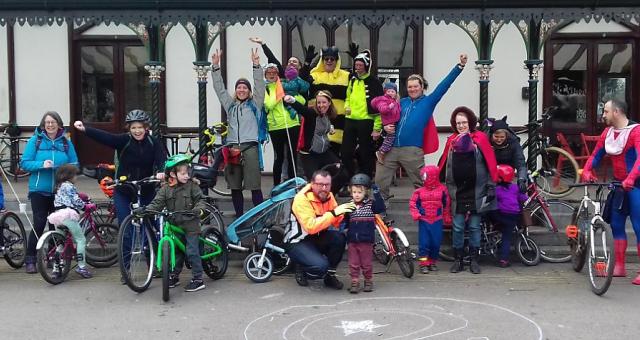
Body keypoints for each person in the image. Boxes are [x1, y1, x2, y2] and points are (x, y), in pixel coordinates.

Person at [375, 53, 468, 199]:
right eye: (410, 87)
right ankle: (381, 213)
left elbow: (444, 85)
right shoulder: (402, 102)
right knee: (380, 182)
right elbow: (386, 115)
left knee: (423, 184)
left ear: (422, 87)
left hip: (412, 151)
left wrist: (459, 67)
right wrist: (385, 128)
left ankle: (427, 213)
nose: (412, 89)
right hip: (391, 148)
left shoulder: (429, 102)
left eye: (415, 86)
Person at [581, 99, 640, 285]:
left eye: (606, 111)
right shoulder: (607, 132)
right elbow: (596, 154)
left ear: (616, 112)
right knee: (616, 224)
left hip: (636, 185)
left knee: (639, 227)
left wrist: (631, 178)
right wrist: (588, 169)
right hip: (618, 185)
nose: (603, 115)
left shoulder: (636, 131)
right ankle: (619, 265)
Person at [74, 110, 166, 225]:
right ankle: (126, 242)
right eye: (133, 128)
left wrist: (162, 171)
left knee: (151, 223)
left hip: (146, 189)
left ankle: (149, 242)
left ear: (146, 127)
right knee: (125, 225)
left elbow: (161, 159)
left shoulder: (153, 142)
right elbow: (106, 137)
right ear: (129, 128)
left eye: (140, 127)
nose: (137, 131)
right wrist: (85, 129)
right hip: (124, 190)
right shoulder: (124, 140)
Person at [438, 106, 498, 275]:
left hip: (476, 191)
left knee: (474, 227)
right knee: (457, 227)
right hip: (457, 192)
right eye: (458, 123)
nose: (461, 126)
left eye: (464, 122)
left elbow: (490, 164)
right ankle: (458, 260)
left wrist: (491, 185)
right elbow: (444, 165)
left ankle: (474, 260)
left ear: (470, 122)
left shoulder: (480, 138)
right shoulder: (451, 141)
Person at [20, 111, 79, 273]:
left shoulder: (66, 143)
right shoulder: (35, 141)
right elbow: (24, 163)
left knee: (56, 226)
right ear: (43, 125)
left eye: (53, 122)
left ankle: (53, 259)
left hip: (60, 192)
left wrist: (65, 170)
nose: (50, 125)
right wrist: (41, 164)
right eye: (47, 123)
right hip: (39, 190)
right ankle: (30, 259)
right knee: (39, 224)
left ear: (59, 124)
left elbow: (75, 163)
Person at [210, 48, 266, 217]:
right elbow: (219, 90)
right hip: (233, 148)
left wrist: (256, 66)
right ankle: (239, 215)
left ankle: (259, 216)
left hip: (250, 148)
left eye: (245, 87)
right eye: (239, 87)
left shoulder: (255, 104)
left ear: (249, 91)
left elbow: (260, 86)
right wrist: (215, 67)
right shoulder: (230, 106)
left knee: (254, 185)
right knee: (235, 186)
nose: (241, 90)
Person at [141, 154, 207, 292]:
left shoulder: (192, 186)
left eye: (187, 173)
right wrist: (146, 210)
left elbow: (201, 200)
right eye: (183, 173)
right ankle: (174, 275)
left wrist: (198, 209)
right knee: (176, 252)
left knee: (191, 251)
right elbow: (157, 203)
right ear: (172, 174)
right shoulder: (165, 189)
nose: (186, 176)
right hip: (175, 226)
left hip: (191, 226)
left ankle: (198, 278)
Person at [250, 37, 309, 185]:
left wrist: (293, 99)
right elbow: (268, 105)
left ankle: (292, 184)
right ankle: (276, 186)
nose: (271, 74)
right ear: (265, 75)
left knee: (292, 156)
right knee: (279, 158)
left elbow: (301, 99)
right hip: (276, 126)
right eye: (268, 72)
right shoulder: (265, 89)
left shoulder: (285, 84)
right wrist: (280, 95)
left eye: (274, 72)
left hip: (291, 124)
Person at [284, 169, 356, 289]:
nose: (324, 188)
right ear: (312, 184)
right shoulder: (301, 199)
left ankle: (330, 276)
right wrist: (334, 213)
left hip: (317, 237)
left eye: (327, 185)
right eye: (320, 184)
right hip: (297, 241)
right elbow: (311, 227)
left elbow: (337, 222)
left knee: (339, 238)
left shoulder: (329, 196)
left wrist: (349, 214)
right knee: (320, 267)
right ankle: (300, 266)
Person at [46, 164, 94, 278]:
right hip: (68, 215)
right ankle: (81, 267)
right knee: (80, 239)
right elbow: (76, 201)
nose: (76, 178)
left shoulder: (58, 186)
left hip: (57, 216)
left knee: (61, 243)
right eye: (75, 175)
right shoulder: (69, 186)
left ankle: (57, 269)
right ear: (69, 176)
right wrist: (86, 206)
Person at [342, 49, 383, 178]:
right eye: (356, 65)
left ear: (366, 66)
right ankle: (349, 177)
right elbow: (347, 97)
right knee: (345, 152)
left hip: (366, 120)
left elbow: (380, 106)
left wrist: (377, 128)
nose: (357, 68)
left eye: (360, 65)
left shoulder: (374, 81)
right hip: (350, 120)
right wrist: (346, 107)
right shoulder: (353, 80)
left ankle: (365, 179)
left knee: (365, 153)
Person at [302, 46, 350, 156]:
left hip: (339, 127)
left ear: (337, 61)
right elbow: (301, 81)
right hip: (317, 129)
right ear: (322, 60)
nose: (329, 61)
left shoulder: (346, 76)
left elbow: (361, 79)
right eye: (326, 59)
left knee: (334, 162)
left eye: (332, 59)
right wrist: (307, 62)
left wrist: (356, 58)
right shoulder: (314, 75)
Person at [341, 174, 385, 293]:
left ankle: (368, 280)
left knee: (366, 263)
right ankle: (355, 281)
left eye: (359, 192)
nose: (356, 194)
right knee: (353, 263)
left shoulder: (371, 205)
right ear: (351, 192)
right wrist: (343, 229)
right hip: (352, 241)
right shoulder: (349, 206)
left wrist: (377, 194)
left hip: (366, 241)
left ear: (366, 192)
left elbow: (381, 208)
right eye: (354, 192)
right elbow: (345, 221)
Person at [286, 91, 340, 181]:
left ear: (329, 103)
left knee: (339, 169)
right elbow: (302, 109)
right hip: (309, 154)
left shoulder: (329, 114)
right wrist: (292, 101)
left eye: (324, 102)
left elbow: (327, 124)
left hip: (323, 152)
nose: (321, 105)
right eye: (319, 102)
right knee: (314, 180)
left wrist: (330, 128)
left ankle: (329, 192)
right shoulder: (312, 113)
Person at [409, 165, 451, 274]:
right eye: (423, 176)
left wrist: (446, 216)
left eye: (425, 176)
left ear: (433, 176)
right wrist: (416, 214)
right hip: (424, 220)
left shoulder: (443, 190)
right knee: (424, 243)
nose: (423, 178)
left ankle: (432, 262)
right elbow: (413, 203)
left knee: (435, 243)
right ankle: (423, 263)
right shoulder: (419, 192)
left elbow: (447, 204)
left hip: (437, 220)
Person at [489, 164, 528, 267]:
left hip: (500, 214)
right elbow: (524, 199)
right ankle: (504, 260)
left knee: (494, 219)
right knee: (507, 237)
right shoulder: (515, 188)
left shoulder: (496, 190)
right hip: (513, 216)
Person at [489, 116, 528, 193]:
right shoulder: (486, 142)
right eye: (496, 137)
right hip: (490, 176)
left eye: (502, 137)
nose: (499, 139)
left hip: (507, 175)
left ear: (506, 136)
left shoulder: (513, 143)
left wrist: (521, 179)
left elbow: (520, 162)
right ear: (491, 135)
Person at [371, 82, 401, 164]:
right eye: (389, 91)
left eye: (392, 91)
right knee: (390, 138)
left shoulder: (395, 101)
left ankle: (383, 152)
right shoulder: (383, 100)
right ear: (385, 92)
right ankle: (381, 152)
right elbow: (382, 109)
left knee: (391, 138)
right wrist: (389, 107)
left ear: (395, 93)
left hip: (393, 121)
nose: (390, 93)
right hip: (388, 122)